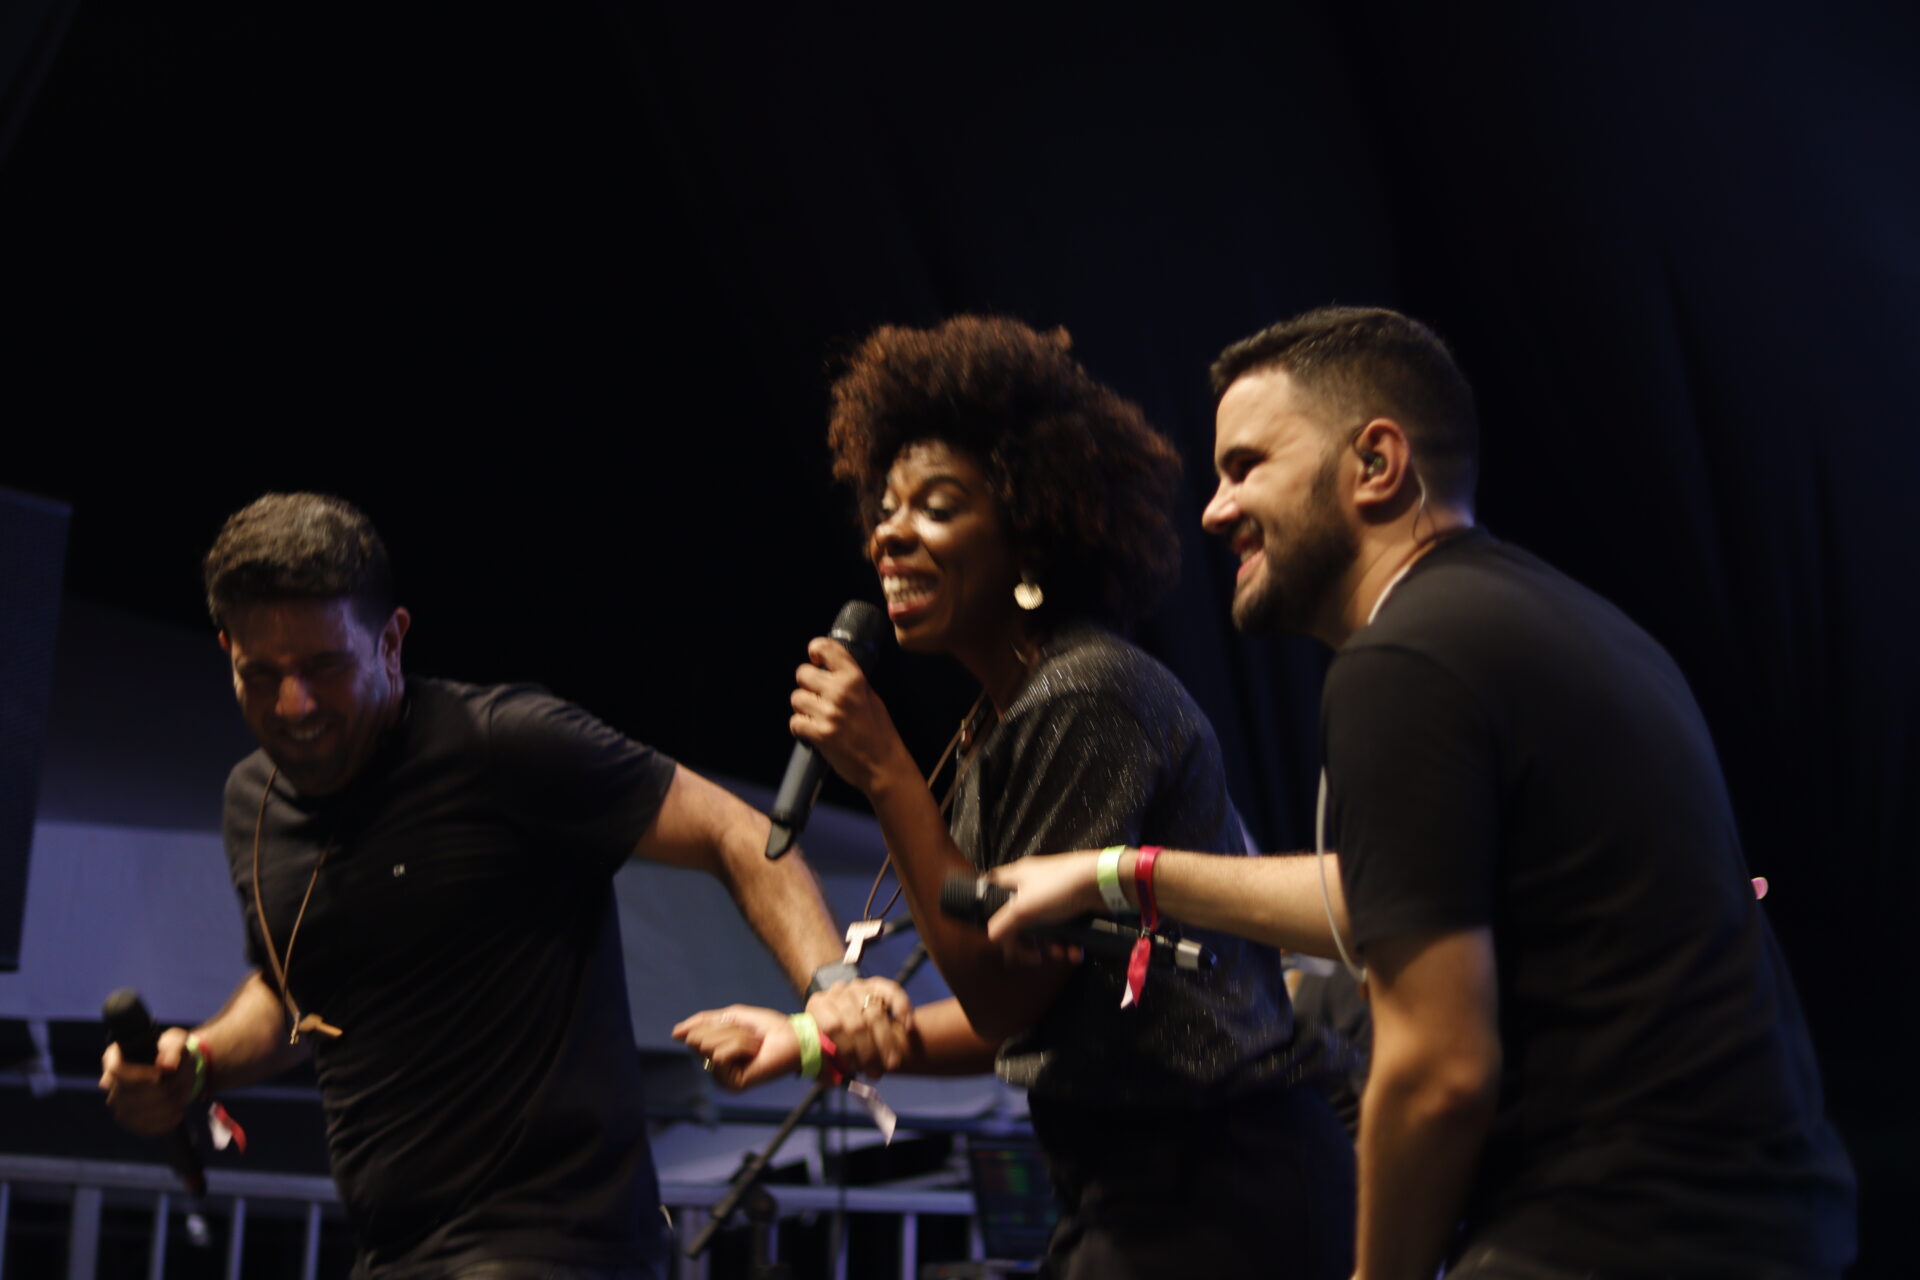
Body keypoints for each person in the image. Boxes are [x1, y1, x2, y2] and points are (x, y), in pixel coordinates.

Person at [985, 306, 1858, 1279]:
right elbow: (1393, 894)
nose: (1214, 510)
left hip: (1613, 1232)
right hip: (1757, 1221)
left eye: (1246, 466)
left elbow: (1438, 1068)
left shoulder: (1404, 661)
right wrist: (1119, 871)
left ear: (1377, 463)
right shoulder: (1548, 623)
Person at [675, 316, 1356, 1279]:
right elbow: (1038, 1013)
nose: (888, 533)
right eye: (885, 507)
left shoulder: (1087, 693)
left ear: (1030, 532)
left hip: (1223, 1184)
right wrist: (807, 1040)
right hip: (1142, 1185)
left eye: (937, 507)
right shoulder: (1007, 717)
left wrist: (884, 771)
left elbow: (1003, 995)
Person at [98, 492, 903, 1280]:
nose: (293, 704)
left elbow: (736, 832)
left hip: (555, 1244)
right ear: (226, 652)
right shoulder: (253, 802)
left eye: (323, 667)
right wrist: (194, 1063)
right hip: (396, 1252)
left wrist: (831, 984)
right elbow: (295, 992)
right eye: (260, 673)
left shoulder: (500, 744)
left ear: (391, 641)